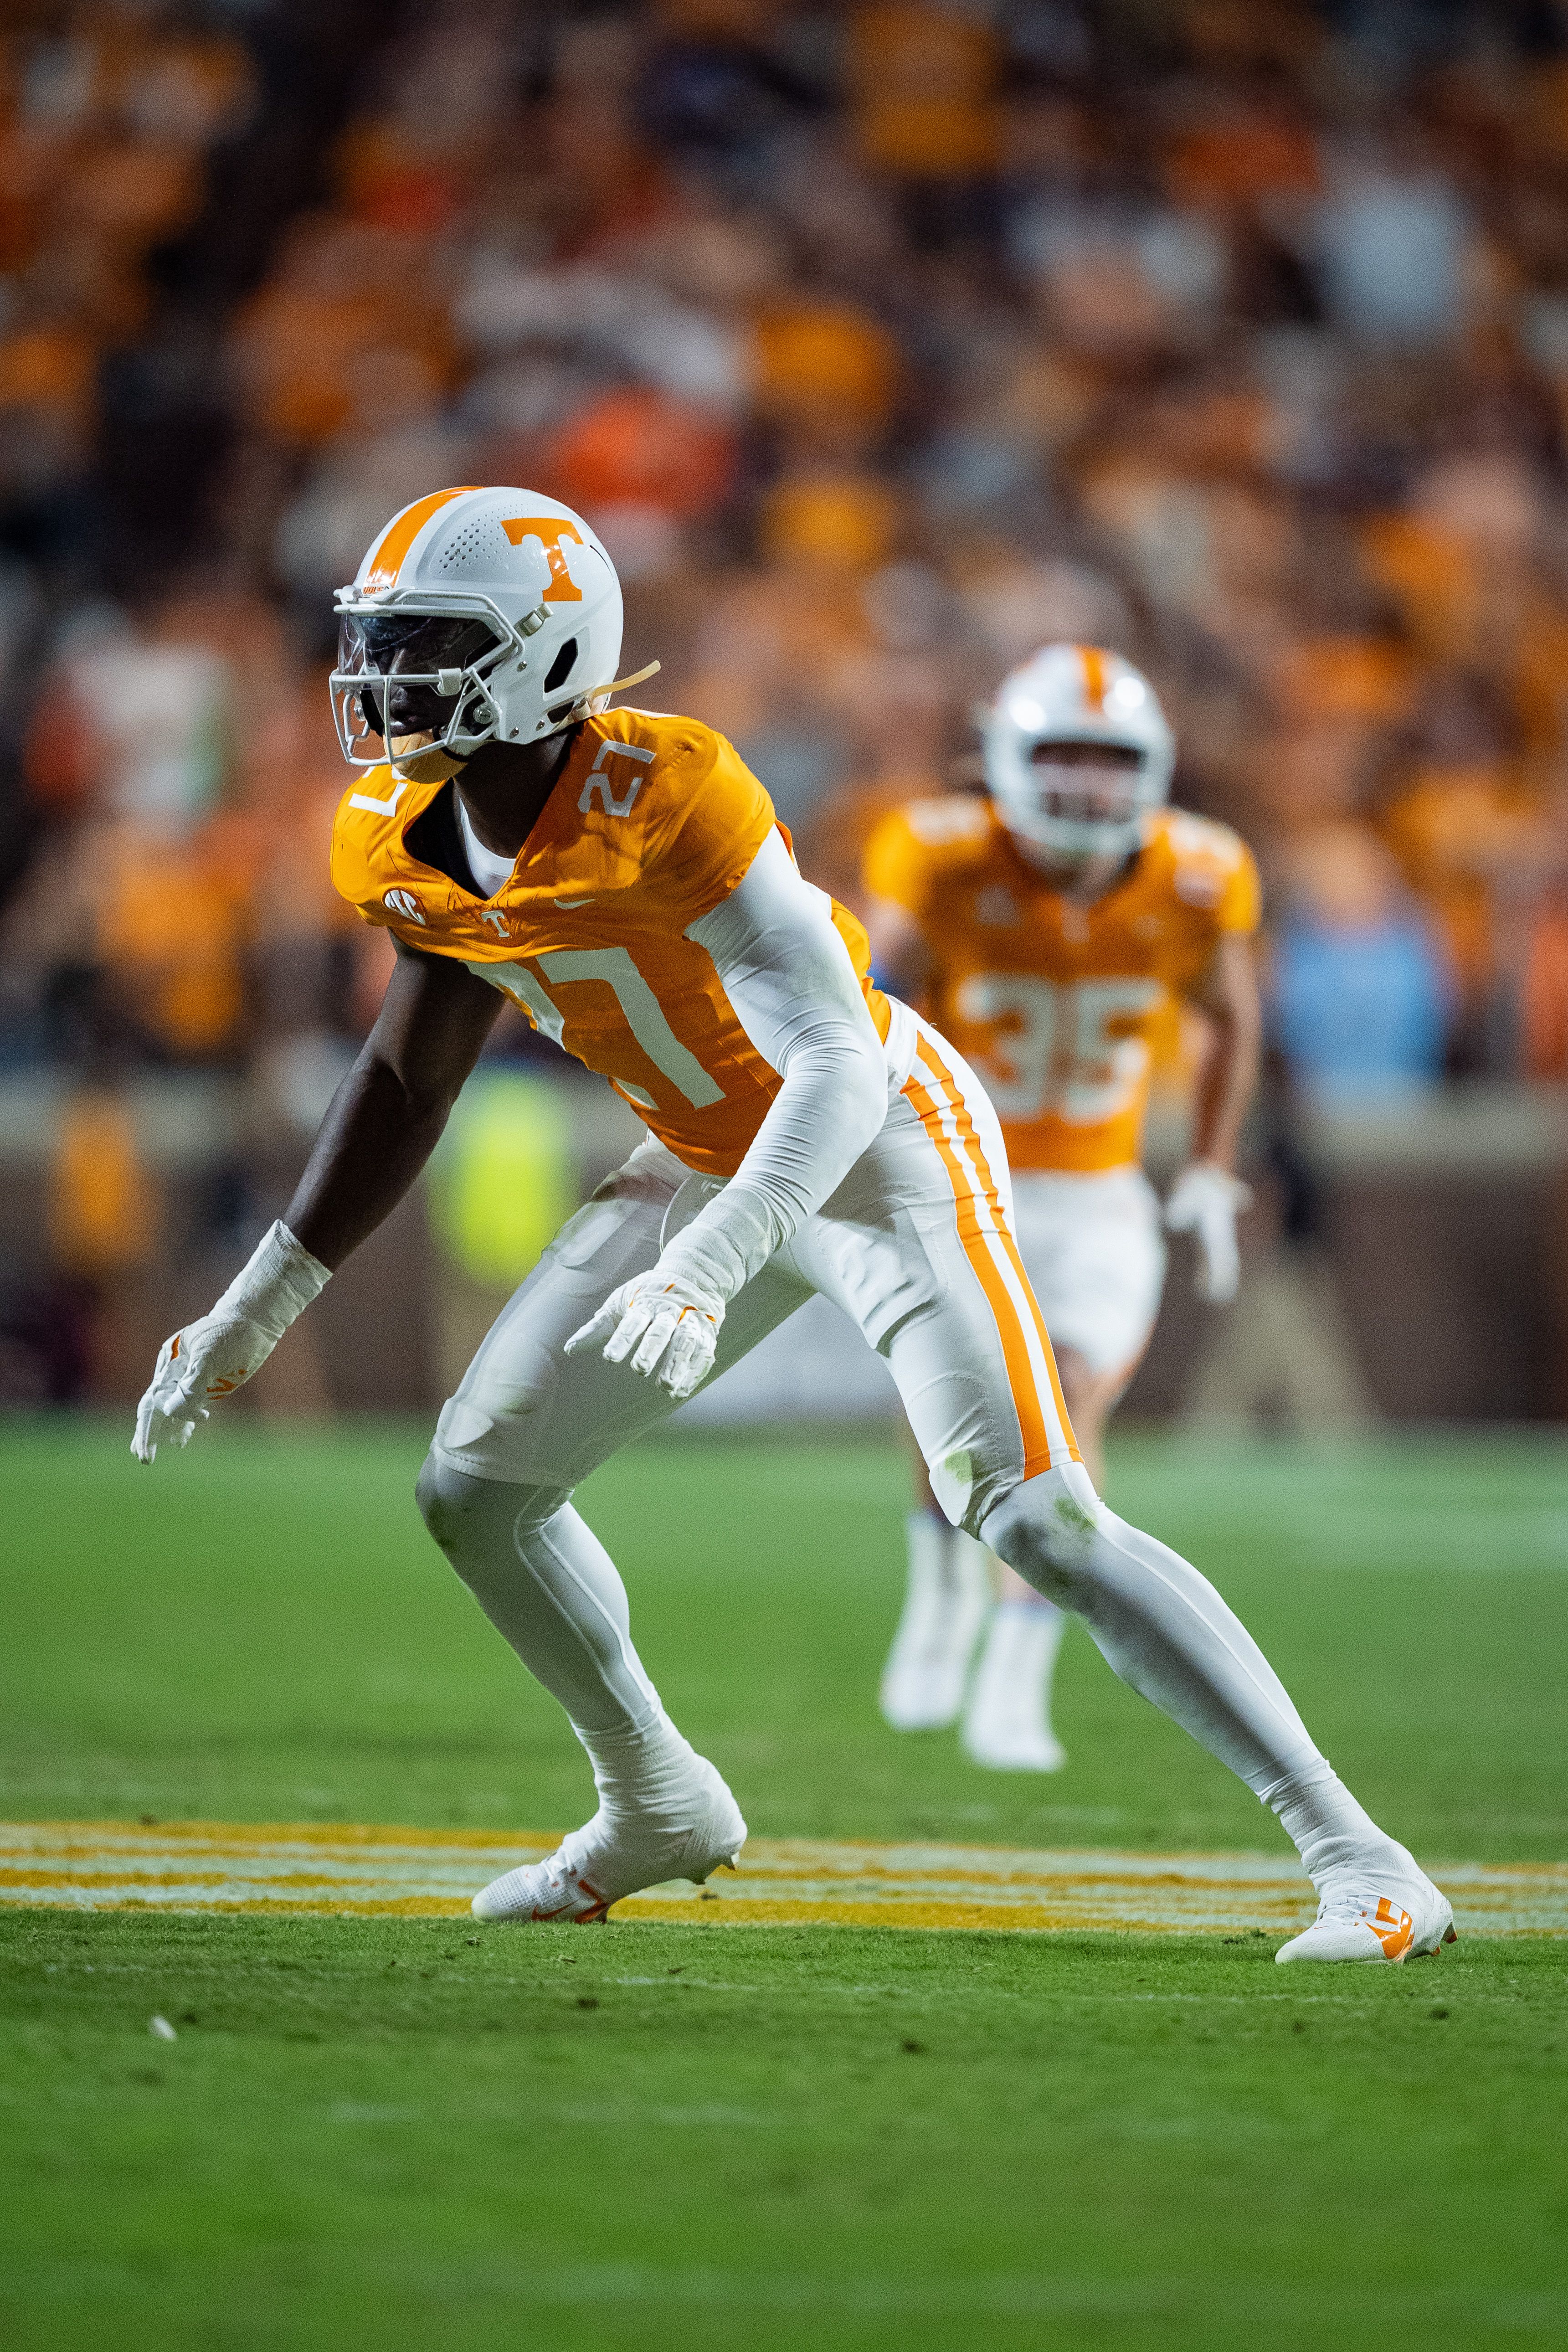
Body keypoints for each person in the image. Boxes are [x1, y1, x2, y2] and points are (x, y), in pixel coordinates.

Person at [133, 486, 1451, 1965]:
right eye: (376, 642)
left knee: (1037, 1516)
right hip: (707, 1147)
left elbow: (838, 1059)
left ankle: (1367, 1859)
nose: (382, 681)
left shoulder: (670, 788)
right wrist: (258, 1301)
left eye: (428, 642)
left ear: (549, 656)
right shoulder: (393, 829)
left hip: (882, 1139)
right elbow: (406, 1072)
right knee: (476, 1488)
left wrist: (707, 1264)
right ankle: (655, 1801)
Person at [864, 644, 1260, 1770]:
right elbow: (870, 986)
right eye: (1063, 757)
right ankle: (939, 1580)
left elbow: (1231, 1014)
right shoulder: (940, 853)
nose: (1088, 786)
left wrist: (1212, 1159)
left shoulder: (1198, 872)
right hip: (962, 1177)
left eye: (1109, 760)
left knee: (1068, 1410)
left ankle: (1015, 1666)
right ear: (1004, 758)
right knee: (939, 1406)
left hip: (1097, 1195)